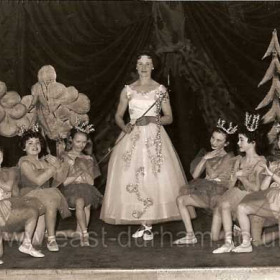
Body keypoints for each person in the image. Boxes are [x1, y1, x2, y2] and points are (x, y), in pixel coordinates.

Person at [100, 51, 196, 240]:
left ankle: (148, 223)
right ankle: (143, 222)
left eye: (147, 63)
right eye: (140, 63)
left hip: (154, 136)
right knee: (132, 176)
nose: (144, 67)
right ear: (136, 67)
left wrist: (152, 118)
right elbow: (118, 116)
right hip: (132, 137)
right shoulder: (128, 89)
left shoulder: (160, 90)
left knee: (154, 176)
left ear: (153, 66)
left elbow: (169, 118)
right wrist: (124, 126)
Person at [173, 120, 237, 244]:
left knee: (215, 237)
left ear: (226, 143)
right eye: (213, 138)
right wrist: (204, 159)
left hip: (221, 195)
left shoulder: (229, 157)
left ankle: (235, 230)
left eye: (219, 140)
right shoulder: (208, 155)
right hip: (207, 193)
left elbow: (213, 175)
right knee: (181, 199)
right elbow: (195, 175)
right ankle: (190, 235)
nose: (213, 142)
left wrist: (208, 160)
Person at [212, 114, 266, 254]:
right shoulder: (239, 160)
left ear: (253, 142)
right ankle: (228, 242)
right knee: (224, 204)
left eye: (241, 140)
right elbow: (231, 187)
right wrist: (233, 177)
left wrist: (242, 178)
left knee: (226, 204)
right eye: (238, 140)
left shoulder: (260, 162)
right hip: (238, 194)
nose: (238, 143)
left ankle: (244, 243)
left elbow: (258, 189)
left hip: (254, 197)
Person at [18, 126, 71, 252]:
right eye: (30, 143)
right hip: (29, 195)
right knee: (52, 200)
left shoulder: (45, 162)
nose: (34, 145)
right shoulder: (24, 162)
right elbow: (37, 181)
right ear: (23, 147)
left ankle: (46, 236)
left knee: (36, 241)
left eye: (37, 142)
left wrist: (60, 165)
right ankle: (51, 238)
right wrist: (52, 169)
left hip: (44, 196)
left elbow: (59, 179)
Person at [59, 125, 103, 246]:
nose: (81, 145)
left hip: (85, 188)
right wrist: (75, 172)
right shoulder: (64, 156)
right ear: (71, 140)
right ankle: (85, 234)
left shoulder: (88, 158)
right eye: (78, 141)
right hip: (69, 189)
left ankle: (81, 232)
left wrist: (83, 168)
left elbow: (91, 182)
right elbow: (62, 181)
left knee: (86, 203)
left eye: (84, 142)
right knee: (79, 201)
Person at [0, 147, 44, 262]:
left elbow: (8, 187)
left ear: (2, 158)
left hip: (7, 208)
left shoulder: (10, 171)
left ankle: (26, 244)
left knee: (32, 211)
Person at [233, 155, 280, 252]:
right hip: (268, 204)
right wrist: (268, 174)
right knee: (242, 208)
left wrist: (272, 174)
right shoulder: (275, 163)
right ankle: (246, 244)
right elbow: (263, 188)